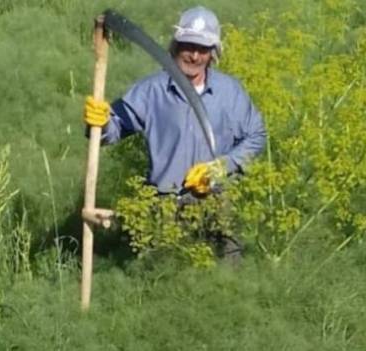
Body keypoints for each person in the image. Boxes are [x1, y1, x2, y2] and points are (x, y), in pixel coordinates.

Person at [84, 6, 267, 261]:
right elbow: (114, 128)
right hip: (164, 207)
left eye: (203, 49)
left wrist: (221, 167)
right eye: (188, 46)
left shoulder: (230, 92)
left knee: (225, 285)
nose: (194, 55)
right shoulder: (151, 91)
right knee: (163, 278)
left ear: (213, 53)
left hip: (218, 204)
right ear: (175, 45)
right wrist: (101, 124)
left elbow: (256, 136)